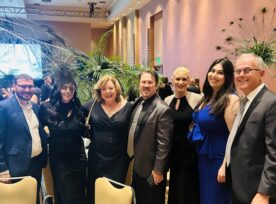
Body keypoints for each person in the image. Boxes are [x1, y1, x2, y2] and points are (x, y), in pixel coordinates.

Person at [227, 53, 276, 204]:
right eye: (238, 71)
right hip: (240, 185)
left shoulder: (271, 102)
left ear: (261, 74)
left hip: (257, 190)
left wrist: (264, 192)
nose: (241, 75)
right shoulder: (245, 100)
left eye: (247, 70)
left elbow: (273, 151)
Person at [191, 58, 239, 204]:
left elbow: (235, 136)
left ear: (228, 77)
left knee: (216, 199)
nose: (214, 75)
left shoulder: (231, 99)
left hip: (219, 159)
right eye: (212, 71)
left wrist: (225, 165)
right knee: (206, 197)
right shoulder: (207, 97)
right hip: (204, 158)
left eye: (220, 73)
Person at [0, 74, 48, 204]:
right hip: (16, 167)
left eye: (30, 86)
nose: (27, 90)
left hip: (36, 164)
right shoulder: (4, 107)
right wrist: (3, 170)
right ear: (14, 86)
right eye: (23, 86)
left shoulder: (35, 107)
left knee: (33, 198)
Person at [85, 75, 133, 204]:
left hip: (118, 159)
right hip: (96, 159)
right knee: (95, 193)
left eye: (110, 88)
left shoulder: (129, 107)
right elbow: (74, 113)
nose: (107, 92)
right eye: (103, 89)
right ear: (99, 91)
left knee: (115, 194)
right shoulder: (92, 105)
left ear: (116, 89)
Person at [128, 70, 173, 204]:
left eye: (150, 82)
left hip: (151, 170)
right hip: (136, 165)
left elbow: (165, 144)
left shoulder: (162, 110)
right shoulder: (138, 103)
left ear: (156, 85)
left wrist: (158, 169)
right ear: (139, 84)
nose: (146, 85)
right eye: (143, 82)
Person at [39, 78, 86, 204]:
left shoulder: (77, 107)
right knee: (66, 195)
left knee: (79, 193)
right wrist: (49, 140)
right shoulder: (46, 108)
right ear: (58, 89)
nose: (68, 91)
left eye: (71, 88)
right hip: (60, 161)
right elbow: (38, 130)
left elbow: (82, 131)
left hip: (79, 159)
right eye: (64, 88)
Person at [164, 67, 202, 204]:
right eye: (177, 79)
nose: (180, 82)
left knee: (189, 185)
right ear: (172, 80)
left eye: (184, 79)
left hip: (191, 150)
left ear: (189, 81)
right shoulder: (167, 100)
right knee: (175, 182)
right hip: (173, 150)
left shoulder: (198, 99)